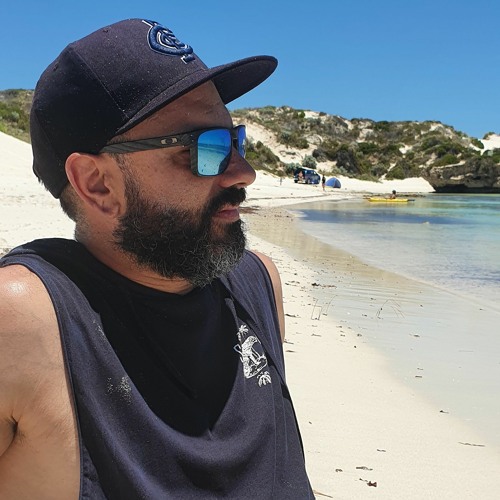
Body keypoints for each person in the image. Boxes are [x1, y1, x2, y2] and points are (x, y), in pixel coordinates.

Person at [0, 19, 313, 499]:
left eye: (235, 141)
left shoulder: (259, 283)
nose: (244, 172)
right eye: (205, 148)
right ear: (97, 184)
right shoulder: (25, 321)